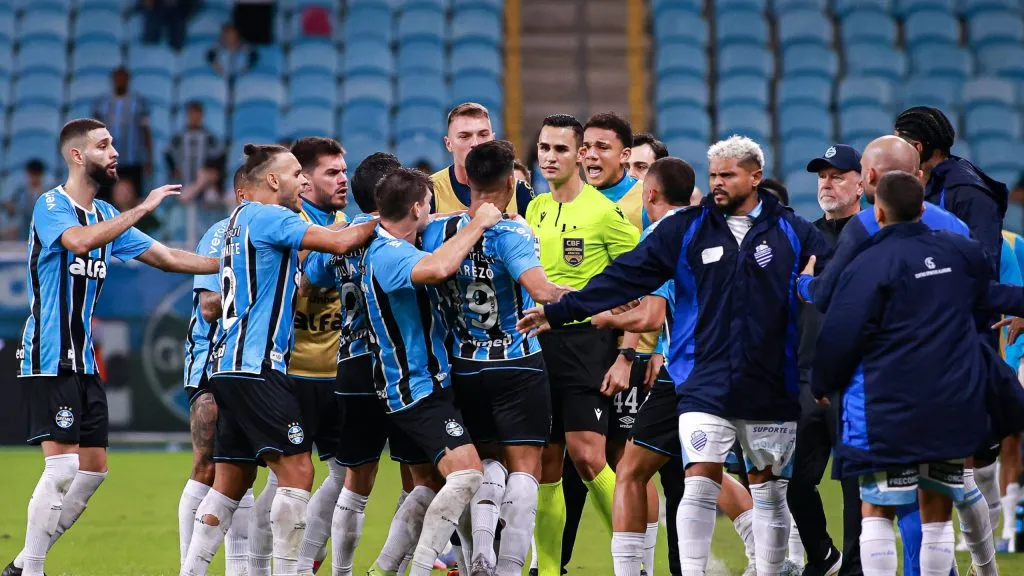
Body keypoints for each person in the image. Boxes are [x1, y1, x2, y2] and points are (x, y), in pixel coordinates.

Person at [518, 135, 830, 576]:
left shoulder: (794, 231)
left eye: (729, 175)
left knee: (769, 492)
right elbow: (623, 278)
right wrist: (561, 311)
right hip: (701, 377)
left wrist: (810, 290)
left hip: (768, 383)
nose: (718, 184)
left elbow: (840, 282)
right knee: (698, 482)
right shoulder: (688, 229)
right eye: (714, 175)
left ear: (755, 177)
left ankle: (773, 569)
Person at [4, 118, 221, 576]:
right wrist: (141, 208)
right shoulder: (51, 205)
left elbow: (167, 258)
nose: (115, 152)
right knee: (62, 470)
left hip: (82, 359)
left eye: (113, 143)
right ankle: (35, 570)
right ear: (77, 156)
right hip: (48, 351)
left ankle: (23, 563)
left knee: (94, 471)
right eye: (104, 145)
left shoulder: (105, 215)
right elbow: (77, 243)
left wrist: (231, 264)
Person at [794, 136, 996, 576]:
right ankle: (981, 567)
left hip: (887, 387)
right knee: (947, 489)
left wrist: (805, 285)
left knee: (884, 501)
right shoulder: (956, 230)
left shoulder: (866, 227)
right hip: (952, 382)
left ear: (868, 177)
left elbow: (835, 304)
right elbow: (983, 296)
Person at [178, 144, 378, 576]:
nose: (301, 182)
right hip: (260, 365)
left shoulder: (232, 224)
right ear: (272, 181)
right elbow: (342, 241)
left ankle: (190, 570)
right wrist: (389, 214)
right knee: (298, 472)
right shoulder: (272, 216)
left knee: (230, 482)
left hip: (226, 365)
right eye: (294, 175)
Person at [591, 156, 756, 576]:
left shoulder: (665, 234)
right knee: (703, 469)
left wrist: (607, 317)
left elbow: (649, 316)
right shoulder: (713, 227)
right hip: (724, 366)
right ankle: (772, 552)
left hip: (690, 373)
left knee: (632, 470)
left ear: (650, 194)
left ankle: (632, 571)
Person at [423, 140, 569, 575]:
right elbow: (543, 291)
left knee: (484, 463)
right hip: (518, 364)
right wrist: (595, 297)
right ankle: (506, 568)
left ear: (465, 179)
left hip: (464, 366)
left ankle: (480, 555)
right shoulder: (513, 234)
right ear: (511, 182)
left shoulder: (438, 231)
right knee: (526, 471)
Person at [359, 168, 502, 576]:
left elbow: (433, 228)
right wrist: (477, 223)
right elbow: (438, 269)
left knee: (428, 486)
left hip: (423, 384)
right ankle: (421, 568)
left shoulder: (389, 238)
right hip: (415, 388)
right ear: (416, 206)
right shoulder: (387, 254)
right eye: (429, 204)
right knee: (468, 474)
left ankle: (383, 570)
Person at [526, 113, 641, 576]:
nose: (550, 157)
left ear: (579, 155)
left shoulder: (603, 213)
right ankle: (549, 569)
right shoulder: (534, 208)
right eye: (544, 148)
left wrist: (627, 351)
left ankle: (635, 557)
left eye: (560, 149)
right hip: (538, 346)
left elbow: (646, 281)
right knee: (546, 466)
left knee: (590, 457)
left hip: (585, 345)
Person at [895, 107, 1011, 552]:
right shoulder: (925, 187)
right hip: (925, 338)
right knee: (938, 468)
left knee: (954, 467)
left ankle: (978, 562)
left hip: (958, 337)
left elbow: (982, 263)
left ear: (918, 148)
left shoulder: (966, 191)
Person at [302, 152, 401, 576]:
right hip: (400, 370)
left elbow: (313, 276)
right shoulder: (401, 240)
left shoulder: (342, 234)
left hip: (350, 365)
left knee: (348, 478)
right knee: (424, 477)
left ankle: (313, 565)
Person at [787, 144, 864, 576]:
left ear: (860, 182)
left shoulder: (872, 233)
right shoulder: (803, 237)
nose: (827, 183)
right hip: (803, 376)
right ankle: (823, 556)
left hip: (855, 380)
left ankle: (854, 569)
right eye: (822, 176)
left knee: (855, 486)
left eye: (837, 175)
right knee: (795, 482)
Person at [177, 167, 251, 575]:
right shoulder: (221, 233)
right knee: (208, 467)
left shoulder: (277, 232)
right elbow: (208, 304)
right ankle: (187, 566)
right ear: (244, 192)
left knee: (241, 469)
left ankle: (239, 569)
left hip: (249, 364)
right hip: (212, 363)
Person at [285, 137, 352, 576]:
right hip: (289, 372)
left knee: (345, 474)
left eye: (345, 170)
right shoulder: (287, 224)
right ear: (304, 182)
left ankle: (306, 557)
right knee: (285, 480)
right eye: (332, 172)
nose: (343, 178)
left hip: (335, 373)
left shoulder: (348, 222)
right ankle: (271, 564)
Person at [430, 102, 534, 216]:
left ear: (493, 139)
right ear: (448, 144)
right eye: (464, 136)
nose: (475, 143)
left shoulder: (520, 191)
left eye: (483, 135)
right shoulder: (430, 191)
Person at [91, 68, 152, 200]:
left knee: (133, 197)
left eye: (123, 78)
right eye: (117, 78)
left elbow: (146, 131)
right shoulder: (102, 103)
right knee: (105, 198)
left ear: (128, 81)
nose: (120, 81)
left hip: (132, 160)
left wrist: (149, 158)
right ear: (112, 80)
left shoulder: (138, 102)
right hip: (107, 160)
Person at [165, 101, 224, 187]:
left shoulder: (208, 136)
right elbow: (168, 152)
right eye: (192, 115)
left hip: (202, 184)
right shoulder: (180, 136)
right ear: (188, 115)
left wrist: (211, 170)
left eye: (197, 115)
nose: (194, 118)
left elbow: (220, 154)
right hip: (183, 180)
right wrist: (174, 169)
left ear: (202, 116)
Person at [0, 159, 48, 240]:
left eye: (35, 174)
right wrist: (10, 206)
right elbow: (10, 205)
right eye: (31, 174)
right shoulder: (21, 191)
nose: (33, 178)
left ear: (41, 175)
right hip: (22, 230)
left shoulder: (47, 192)